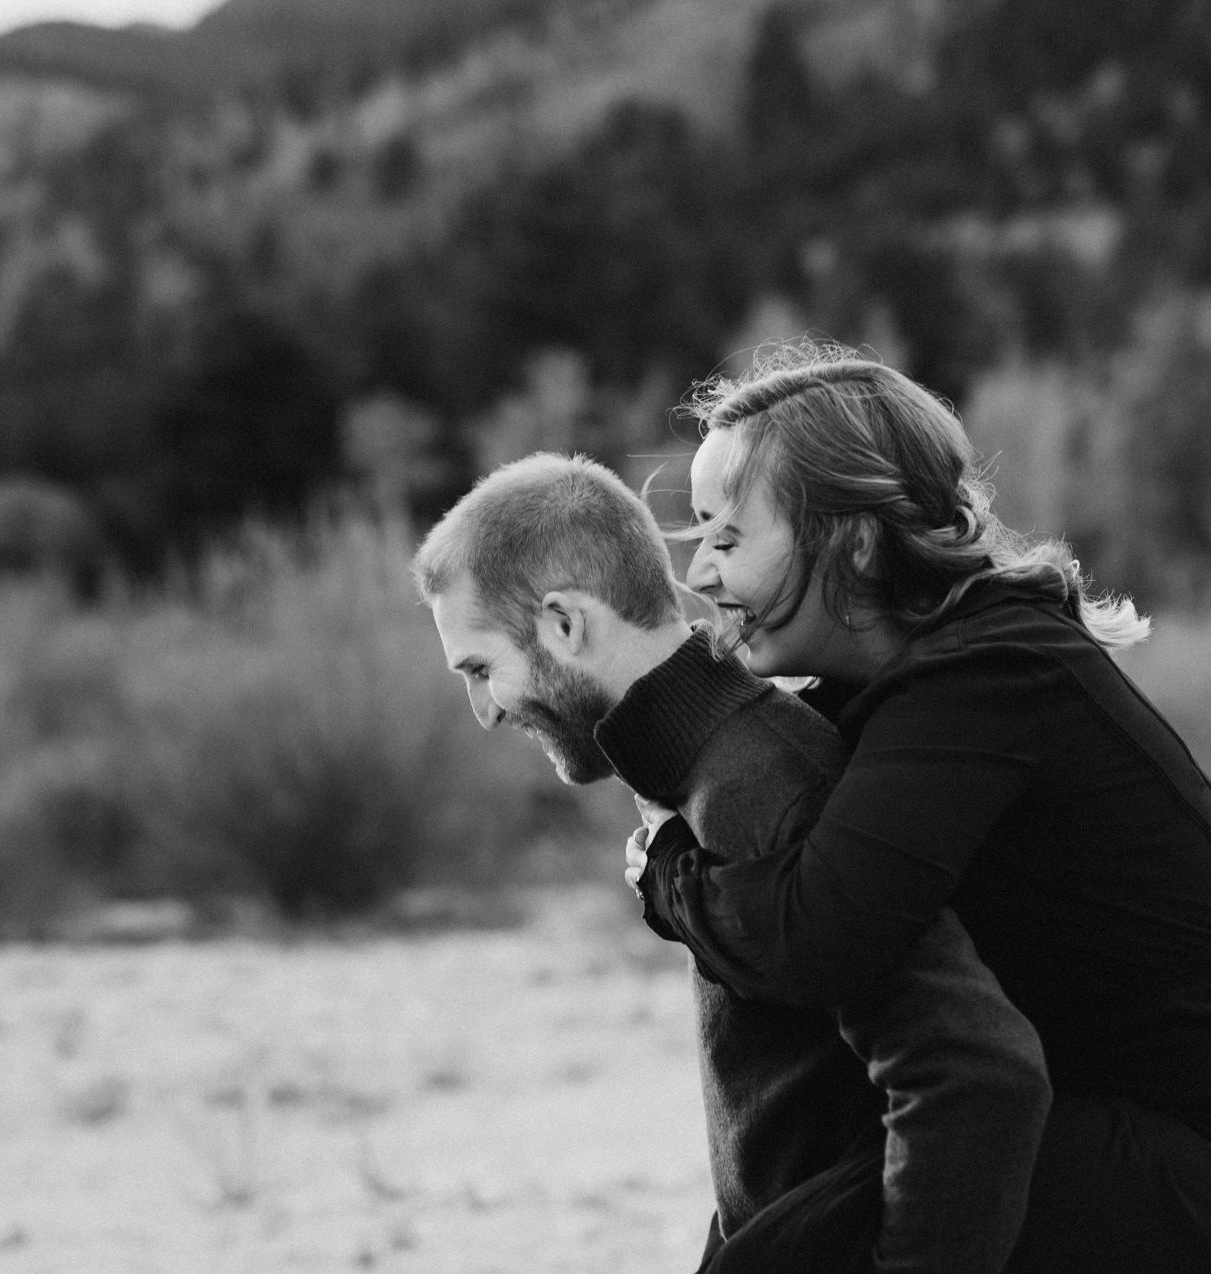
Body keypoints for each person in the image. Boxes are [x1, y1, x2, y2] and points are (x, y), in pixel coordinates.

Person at [628, 344, 1211, 1272]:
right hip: (1125, 1114)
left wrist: (671, 880)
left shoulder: (992, 673)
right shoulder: (915, 684)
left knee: (807, 1241)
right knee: (802, 1214)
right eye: (696, 536)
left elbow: (820, 936)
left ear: (856, 540)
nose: (700, 573)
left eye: (729, 537)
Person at [411, 452, 1050, 1270]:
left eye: (481, 669)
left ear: (565, 624)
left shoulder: (761, 777)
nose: (482, 712)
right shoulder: (704, 768)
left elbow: (980, 1073)